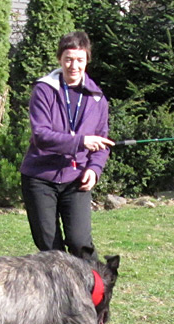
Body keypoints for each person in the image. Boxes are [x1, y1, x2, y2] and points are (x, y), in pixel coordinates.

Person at [20, 31, 114, 256]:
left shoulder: (97, 98)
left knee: (80, 243)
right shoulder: (44, 90)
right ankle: (59, 291)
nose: (74, 65)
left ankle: (91, 291)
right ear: (60, 59)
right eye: (68, 59)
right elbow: (41, 135)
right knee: (51, 248)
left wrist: (94, 168)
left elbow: (103, 142)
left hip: (76, 179)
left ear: (87, 60)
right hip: (40, 178)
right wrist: (81, 142)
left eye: (80, 60)